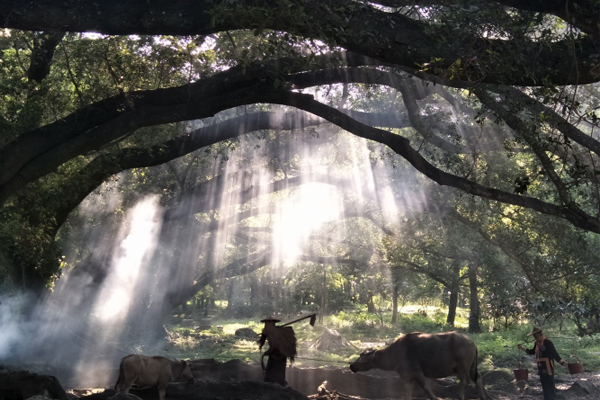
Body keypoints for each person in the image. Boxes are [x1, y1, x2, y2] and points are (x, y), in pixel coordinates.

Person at [517, 327, 565, 400]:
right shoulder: (536, 343)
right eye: (534, 337)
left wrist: (562, 362)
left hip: (548, 366)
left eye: (536, 336)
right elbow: (532, 352)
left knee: (550, 382)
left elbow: (554, 354)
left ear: (540, 334)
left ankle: (553, 397)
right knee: (544, 383)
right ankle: (546, 398)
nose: (535, 338)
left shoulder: (548, 343)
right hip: (541, 366)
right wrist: (522, 348)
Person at [257, 316, 297, 386]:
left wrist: (268, 352)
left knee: (278, 371)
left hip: (279, 355)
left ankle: (278, 384)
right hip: (274, 355)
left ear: (273, 323)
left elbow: (275, 345)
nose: (266, 325)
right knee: (271, 371)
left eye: (268, 323)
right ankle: (271, 384)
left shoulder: (275, 332)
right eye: (266, 323)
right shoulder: (269, 331)